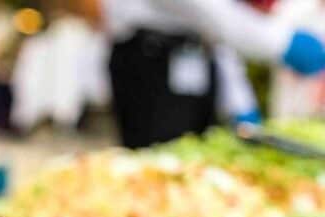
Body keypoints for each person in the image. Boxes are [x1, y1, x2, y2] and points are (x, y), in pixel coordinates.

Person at [101, 0, 325, 148]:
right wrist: (280, 42)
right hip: (151, 59)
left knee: (195, 167)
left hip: (193, 56)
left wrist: (240, 105)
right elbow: (207, 11)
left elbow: (215, 36)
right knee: (160, 165)